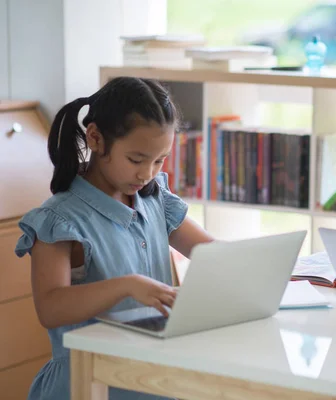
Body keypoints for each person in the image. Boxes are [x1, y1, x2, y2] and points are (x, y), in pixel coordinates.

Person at [14, 77, 214, 400]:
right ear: (95, 138)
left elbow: (212, 253)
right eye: (136, 159)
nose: (147, 173)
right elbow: (50, 307)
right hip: (88, 383)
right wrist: (127, 285)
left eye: (159, 160)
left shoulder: (155, 200)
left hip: (152, 379)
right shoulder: (59, 220)